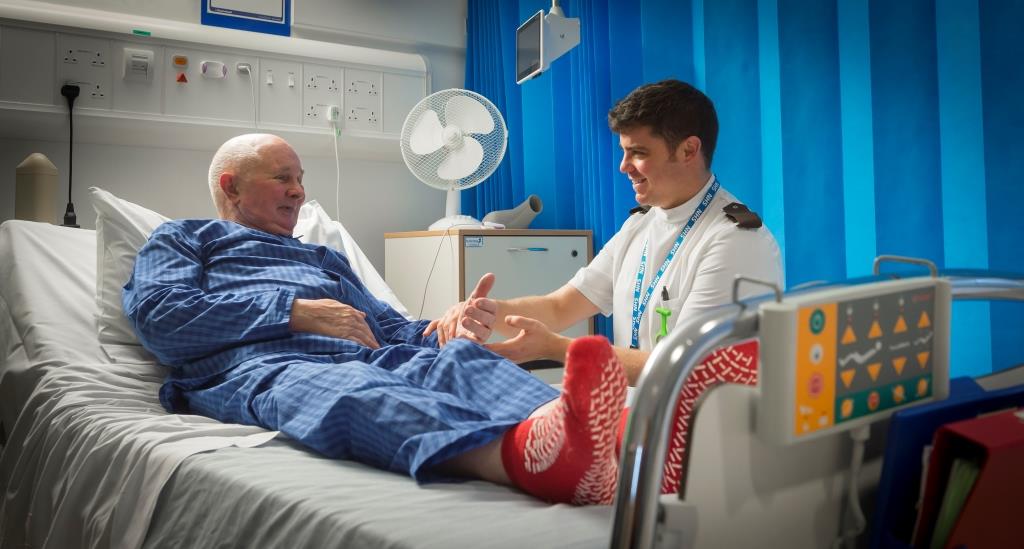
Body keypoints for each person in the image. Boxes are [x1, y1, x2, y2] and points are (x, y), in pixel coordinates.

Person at [123, 133, 687, 506]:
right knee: (354, 386)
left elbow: (388, 327)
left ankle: (627, 445)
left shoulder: (322, 255)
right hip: (265, 367)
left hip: (365, 352)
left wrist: (443, 326)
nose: (299, 191)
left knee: (456, 361)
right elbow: (161, 319)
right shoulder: (185, 238)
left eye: (300, 178)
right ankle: (524, 461)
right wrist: (294, 312)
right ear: (232, 186)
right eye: (282, 178)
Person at [426, 80, 783, 386]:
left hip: (700, 441)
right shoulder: (640, 225)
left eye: (638, 153)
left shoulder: (735, 240)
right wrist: (485, 312)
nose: (623, 167)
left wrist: (556, 348)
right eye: (624, 152)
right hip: (635, 417)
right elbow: (560, 306)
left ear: (689, 149)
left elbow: (684, 368)